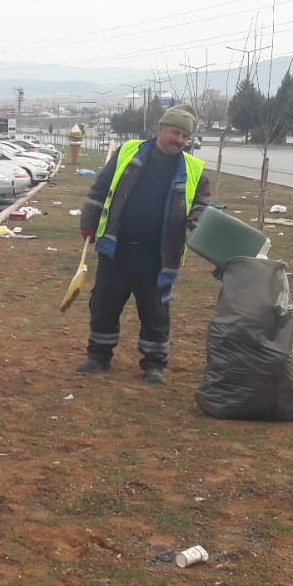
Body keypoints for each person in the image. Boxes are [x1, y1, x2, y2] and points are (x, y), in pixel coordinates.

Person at [77, 105, 211, 384]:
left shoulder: (193, 168)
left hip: (158, 255)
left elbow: (202, 203)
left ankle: (154, 364)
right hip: (117, 248)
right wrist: (88, 222)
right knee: (104, 304)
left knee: (155, 312)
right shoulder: (128, 153)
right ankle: (99, 356)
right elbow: (100, 189)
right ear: (159, 129)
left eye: (186, 136)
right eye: (176, 132)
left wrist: (196, 217)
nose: (180, 140)